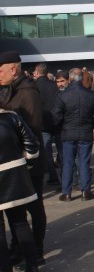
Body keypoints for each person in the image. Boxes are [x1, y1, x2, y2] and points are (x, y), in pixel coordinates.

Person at [0, 51, 47, 266]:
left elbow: (33, 129)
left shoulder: (28, 92)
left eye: (0, 71)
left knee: (33, 209)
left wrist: (27, 159)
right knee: (18, 215)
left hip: (29, 161)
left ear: (13, 69)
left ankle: (36, 251)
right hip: (14, 161)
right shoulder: (10, 89)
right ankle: (18, 250)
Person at [52, 68, 94, 202]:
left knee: (68, 163)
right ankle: (85, 191)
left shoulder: (63, 95)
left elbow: (56, 117)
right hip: (84, 132)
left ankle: (67, 192)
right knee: (84, 163)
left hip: (68, 133)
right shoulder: (91, 94)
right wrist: (91, 125)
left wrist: (62, 126)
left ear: (69, 79)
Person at [0, 108, 41, 272]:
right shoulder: (11, 117)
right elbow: (32, 147)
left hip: (13, 174)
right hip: (15, 176)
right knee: (20, 223)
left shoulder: (11, 117)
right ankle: (32, 265)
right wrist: (24, 166)